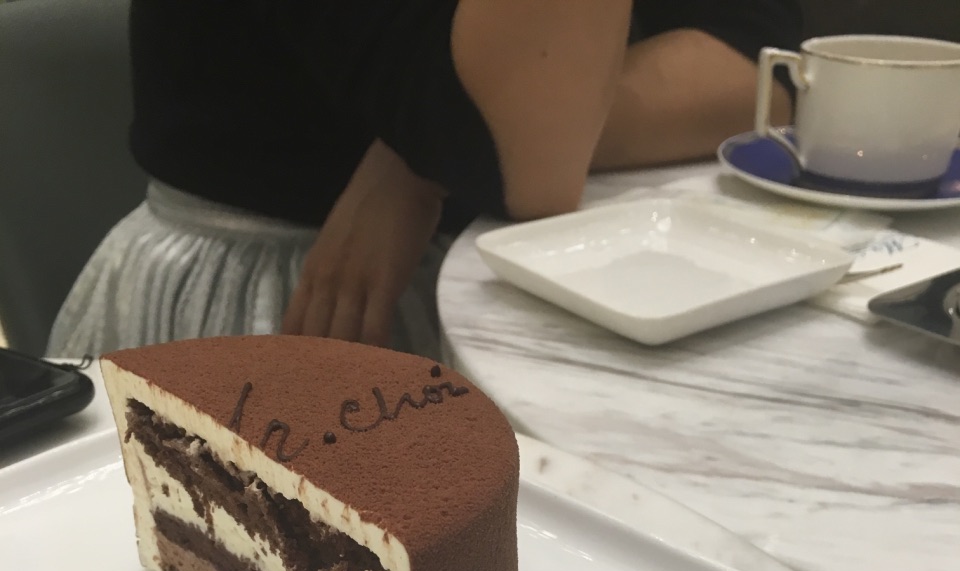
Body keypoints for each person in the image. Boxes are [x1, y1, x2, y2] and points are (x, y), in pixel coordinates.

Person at [47, 0, 800, 361]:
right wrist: (453, 143)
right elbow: (521, 145)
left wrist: (414, 164)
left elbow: (763, 75)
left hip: (598, 279)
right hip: (276, 302)